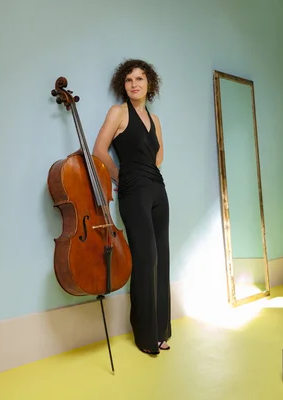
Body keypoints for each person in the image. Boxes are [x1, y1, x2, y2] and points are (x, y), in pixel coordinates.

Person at [92, 59, 171, 356]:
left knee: (161, 258)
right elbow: (100, 149)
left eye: (140, 79)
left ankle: (161, 330)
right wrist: (121, 175)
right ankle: (145, 336)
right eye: (129, 80)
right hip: (133, 191)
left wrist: (148, 170)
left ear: (149, 83)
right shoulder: (118, 113)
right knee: (146, 258)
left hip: (158, 189)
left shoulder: (155, 119)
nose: (134, 84)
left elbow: (159, 156)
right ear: (122, 86)